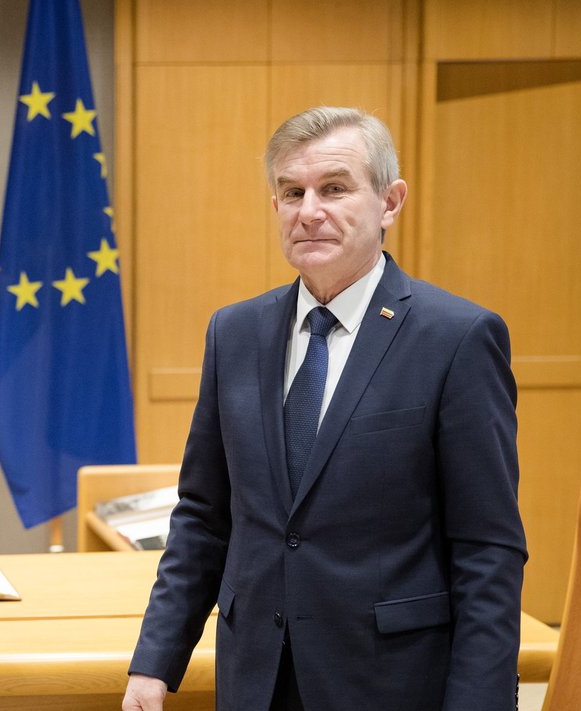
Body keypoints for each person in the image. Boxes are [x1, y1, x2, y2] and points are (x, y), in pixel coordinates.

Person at [122, 107, 526, 711]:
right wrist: (154, 663)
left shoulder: (458, 338)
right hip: (255, 678)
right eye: (292, 192)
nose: (309, 210)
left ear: (390, 202)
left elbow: (486, 550)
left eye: (334, 188)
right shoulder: (234, 332)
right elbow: (205, 516)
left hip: (387, 682)